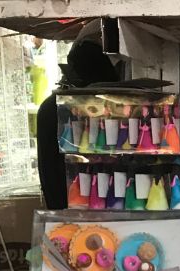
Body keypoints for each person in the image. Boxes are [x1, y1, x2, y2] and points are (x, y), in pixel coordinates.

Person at [35, 39, 120, 210]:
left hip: (69, 200)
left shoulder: (51, 105)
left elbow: (48, 172)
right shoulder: (62, 107)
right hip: (82, 198)